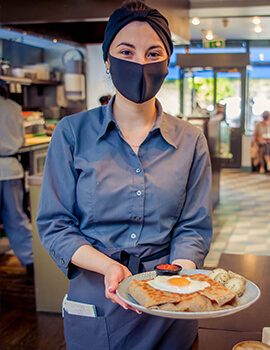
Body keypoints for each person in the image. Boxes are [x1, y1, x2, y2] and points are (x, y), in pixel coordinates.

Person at [36, 1, 212, 349]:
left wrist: (176, 279)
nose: (140, 64)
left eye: (153, 53)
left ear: (166, 62)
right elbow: (55, 224)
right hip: (98, 299)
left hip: (170, 308)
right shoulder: (72, 133)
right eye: (126, 51)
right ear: (108, 60)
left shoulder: (191, 140)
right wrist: (106, 267)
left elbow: (194, 225)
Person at [0, 79, 34, 276]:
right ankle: (30, 260)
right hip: (11, 167)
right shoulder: (13, 107)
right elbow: (20, 139)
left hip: (8, 166)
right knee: (16, 216)